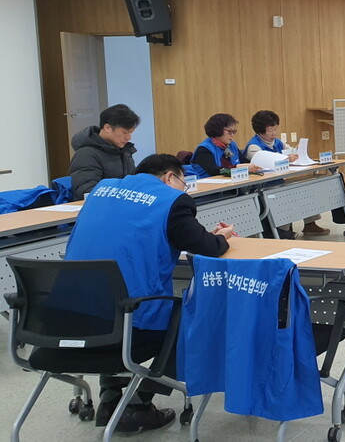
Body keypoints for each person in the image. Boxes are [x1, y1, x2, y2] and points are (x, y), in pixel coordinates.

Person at [64, 154, 234, 433]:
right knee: (188, 314)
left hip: (67, 319)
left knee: (109, 297)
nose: (184, 190)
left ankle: (111, 397)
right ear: (169, 177)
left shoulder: (101, 190)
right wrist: (221, 237)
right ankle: (139, 404)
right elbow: (206, 247)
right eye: (183, 183)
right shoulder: (171, 200)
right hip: (127, 328)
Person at [243, 110, 330, 236]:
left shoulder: (278, 142)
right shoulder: (253, 147)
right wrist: (285, 159)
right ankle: (283, 231)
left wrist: (297, 151)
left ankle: (310, 224)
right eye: (270, 130)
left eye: (275, 129)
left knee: (305, 189)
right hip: (264, 185)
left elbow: (291, 152)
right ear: (260, 130)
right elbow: (264, 164)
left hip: (279, 181)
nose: (274, 133)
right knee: (287, 195)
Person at [69, 104, 140, 200]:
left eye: (130, 133)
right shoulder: (86, 154)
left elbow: (133, 182)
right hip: (99, 205)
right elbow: (86, 190)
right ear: (107, 128)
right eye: (125, 132)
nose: (128, 137)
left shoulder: (125, 152)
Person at [189, 113, 261, 179]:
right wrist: (238, 167)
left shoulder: (232, 145)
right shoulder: (204, 149)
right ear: (218, 130)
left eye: (234, 132)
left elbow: (244, 162)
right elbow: (214, 171)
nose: (232, 135)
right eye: (229, 131)